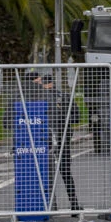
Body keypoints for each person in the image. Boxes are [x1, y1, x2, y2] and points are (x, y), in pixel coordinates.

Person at [40, 72, 82, 213]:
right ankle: (74, 204)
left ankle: (50, 204)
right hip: (62, 138)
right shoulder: (64, 96)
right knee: (65, 172)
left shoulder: (36, 99)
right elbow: (76, 117)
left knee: (44, 173)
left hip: (42, 140)